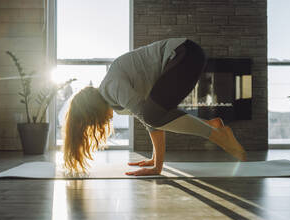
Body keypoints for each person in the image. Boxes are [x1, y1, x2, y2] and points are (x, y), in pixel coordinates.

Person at [63, 38, 247, 176]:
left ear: (93, 110)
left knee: (151, 114)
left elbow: (149, 119)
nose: (103, 122)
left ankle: (218, 135)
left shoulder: (112, 88)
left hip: (183, 54)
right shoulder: (115, 96)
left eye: (91, 121)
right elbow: (152, 121)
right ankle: (211, 125)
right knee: (154, 114)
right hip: (187, 55)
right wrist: (156, 164)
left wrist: (156, 166)